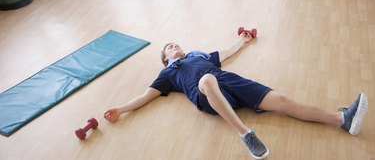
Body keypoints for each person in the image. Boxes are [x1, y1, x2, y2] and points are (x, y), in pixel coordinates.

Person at [104, 31, 368, 159]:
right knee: (207, 79)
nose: (175, 46)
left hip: (229, 82)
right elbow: (145, 96)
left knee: (282, 101)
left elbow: (228, 52)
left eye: (176, 43)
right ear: (165, 58)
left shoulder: (199, 55)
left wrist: (242, 39)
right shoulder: (169, 74)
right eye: (169, 47)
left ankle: (341, 119)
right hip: (204, 93)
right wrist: (120, 109)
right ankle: (246, 134)